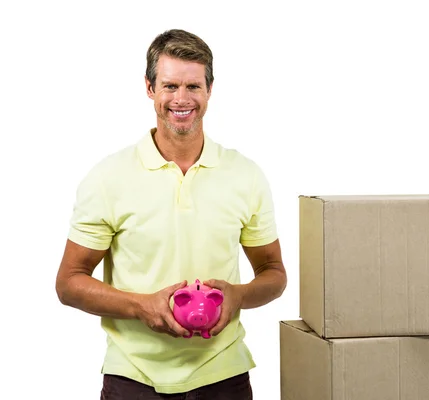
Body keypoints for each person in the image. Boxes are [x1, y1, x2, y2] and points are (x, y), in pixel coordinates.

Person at [55, 29, 287, 399]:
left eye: (193, 87)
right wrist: (140, 306)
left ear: (210, 90)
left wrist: (238, 296)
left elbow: (274, 274)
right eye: (170, 86)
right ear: (150, 88)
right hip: (133, 379)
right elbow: (68, 282)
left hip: (224, 376)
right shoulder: (108, 178)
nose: (181, 99)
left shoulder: (246, 175)